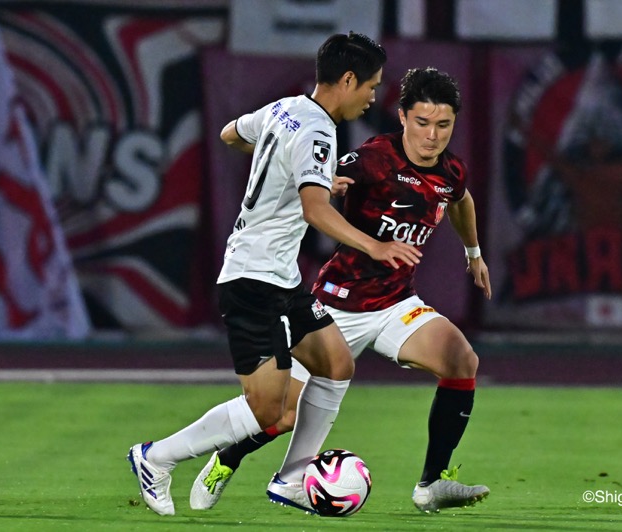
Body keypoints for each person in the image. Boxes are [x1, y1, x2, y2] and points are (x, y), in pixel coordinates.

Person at [126, 32, 422, 517]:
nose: (373, 96)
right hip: (252, 279)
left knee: (337, 363)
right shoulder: (319, 130)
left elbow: (230, 134)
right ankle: (155, 458)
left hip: (280, 278)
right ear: (347, 80)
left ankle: (291, 478)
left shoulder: (285, 108)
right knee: (267, 409)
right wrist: (375, 244)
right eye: (371, 85)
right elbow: (314, 211)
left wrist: (306, 174)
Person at [189, 67, 492, 514]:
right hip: (337, 304)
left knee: (461, 359)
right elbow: (311, 176)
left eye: (443, 125)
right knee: (279, 415)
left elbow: (459, 199)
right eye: (423, 123)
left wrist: (473, 253)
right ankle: (225, 459)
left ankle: (432, 483)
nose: (432, 136)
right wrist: (326, 184)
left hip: (395, 305)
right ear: (404, 117)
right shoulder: (372, 158)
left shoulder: (450, 171)